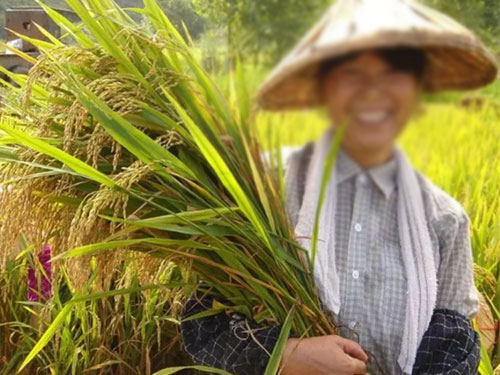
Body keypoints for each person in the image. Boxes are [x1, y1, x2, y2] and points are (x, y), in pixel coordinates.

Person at [180, 0, 498, 374]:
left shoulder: (445, 221)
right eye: (352, 72)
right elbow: (202, 324)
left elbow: (451, 355)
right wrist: (284, 355)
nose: (373, 91)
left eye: (395, 71)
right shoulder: (263, 187)